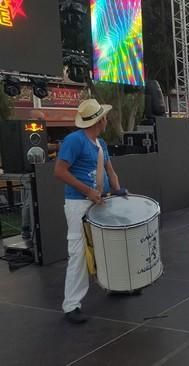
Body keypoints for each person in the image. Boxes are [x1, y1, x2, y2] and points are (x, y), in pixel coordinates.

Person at [54, 99, 124, 324]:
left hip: (98, 201)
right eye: (105, 117)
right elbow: (59, 172)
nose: (107, 120)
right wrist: (88, 191)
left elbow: (110, 171)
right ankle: (71, 305)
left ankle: (114, 285)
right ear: (99, 120)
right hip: (78, 203)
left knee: (105, 248)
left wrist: (118, 190)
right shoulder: (74, 141)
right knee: (78, 254)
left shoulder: (100, 143)